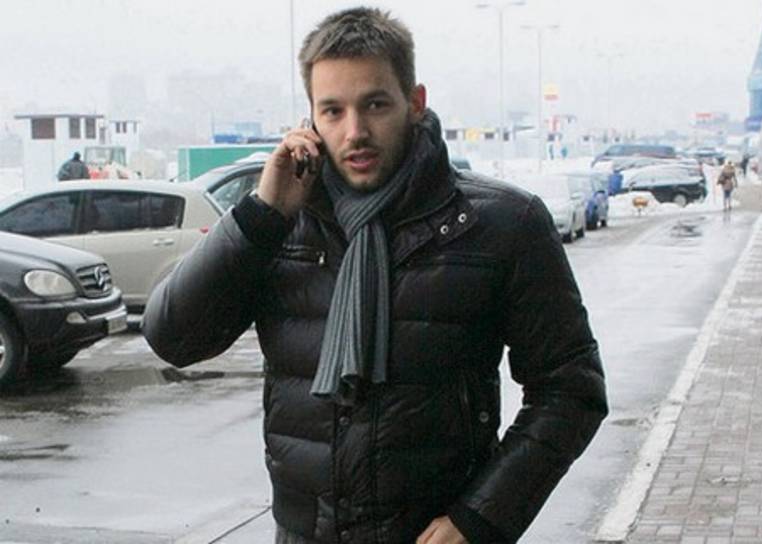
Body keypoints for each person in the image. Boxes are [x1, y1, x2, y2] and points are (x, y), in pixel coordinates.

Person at [143, 7, 607, 544]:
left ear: (415, 102)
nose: (355, 132)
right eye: (333, 111)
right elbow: (174, 338)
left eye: (375, 105)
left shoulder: (502, 224)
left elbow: (570, 389)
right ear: (310, 120)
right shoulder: (285, 226)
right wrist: (261, 215)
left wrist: (479, 518)